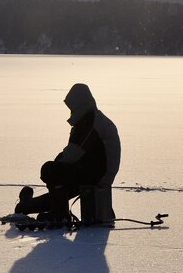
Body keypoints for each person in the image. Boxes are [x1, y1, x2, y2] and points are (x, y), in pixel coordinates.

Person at [15, 83, 120, 222]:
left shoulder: (90, 122)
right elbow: (75, 151)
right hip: (91, 171)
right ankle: (26, 207)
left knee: (49, 170)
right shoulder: (90, 119)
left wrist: (56, 166)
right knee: (58, 190)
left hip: (96, 175)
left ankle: (60, 214)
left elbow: (73, 154)